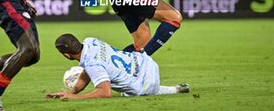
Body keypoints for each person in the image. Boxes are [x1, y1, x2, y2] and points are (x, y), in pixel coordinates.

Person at [46, 33, 189, 99]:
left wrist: (74, 97)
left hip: (145, 82)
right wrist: (74, 90)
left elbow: (105, 93)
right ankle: (177, 89)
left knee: (131, 92)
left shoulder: (91, 64)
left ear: (66, 55)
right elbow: (88, 69)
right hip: (146, 61)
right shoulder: (90, 41)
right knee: (131, 87)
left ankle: (166, 89)